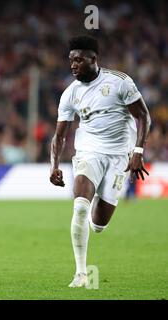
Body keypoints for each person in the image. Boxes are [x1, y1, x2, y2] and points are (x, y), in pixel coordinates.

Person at [49, 36, 151, 288]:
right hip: (88, 152)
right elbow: (59, 135)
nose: (73, 65)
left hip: (119, 156)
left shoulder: (119, 82)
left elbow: (143, 116)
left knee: (98, 225)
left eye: (79, 59)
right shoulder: (70, 94)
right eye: (71, 60)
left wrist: (138, 150)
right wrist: (54, 166)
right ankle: (81, 273)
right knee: (80, 207)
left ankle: (98, 194)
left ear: (94, 59)